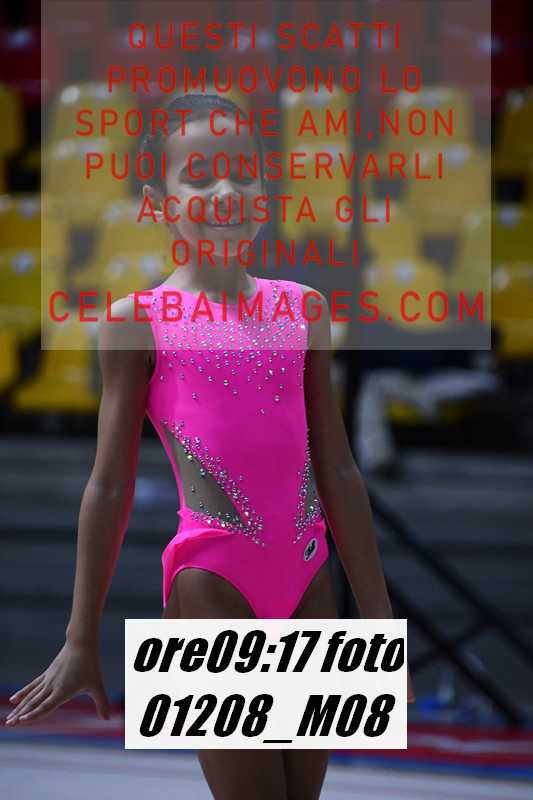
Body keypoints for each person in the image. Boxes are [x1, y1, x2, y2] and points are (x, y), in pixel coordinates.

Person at [5, 94, 415, 798]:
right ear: (159, 202)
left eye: (242, 172)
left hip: (311, 581)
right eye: (198, 176)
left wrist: (379, 623)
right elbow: (109, 484)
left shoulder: (304, 307)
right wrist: (80, 636)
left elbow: (339, 469)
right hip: (211, 585)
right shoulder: (137, 320)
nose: (224, 190)